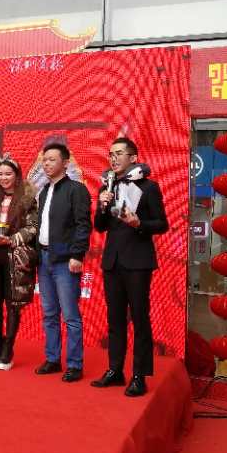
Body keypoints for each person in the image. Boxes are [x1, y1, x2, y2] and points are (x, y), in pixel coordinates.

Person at [91, 138, 168, 397]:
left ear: (133, 158)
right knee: (114, 320)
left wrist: (139, 224)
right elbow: (100, 226)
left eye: (119, 153)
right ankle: (115, 370)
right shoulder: (107, 185)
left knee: (140, 319)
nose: (113, 158)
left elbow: (162, 224)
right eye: (111, 154)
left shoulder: (149, 187)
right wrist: (102, 205)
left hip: (138, 262)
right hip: (112, 261)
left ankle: (139, 375)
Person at [33, 143, 92, 382]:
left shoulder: (76, 190)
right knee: (49, 313)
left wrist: (77, 255)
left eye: (52, 159)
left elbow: (83, 225)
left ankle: (75, 364)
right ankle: (53, 359)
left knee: (70, 315)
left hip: (65, 261)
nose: (46, 164)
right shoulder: (44, 191)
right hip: (44, 258)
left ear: (65, 163)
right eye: (44, 160)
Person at [0, 157, 38, 370]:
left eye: (8, 174)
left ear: (17, 175)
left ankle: (8, 348)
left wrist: (12, 239)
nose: (3, 178)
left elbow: (33, 227)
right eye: (0, 174)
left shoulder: (28, 198)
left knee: (13, 304)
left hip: (16, 257)